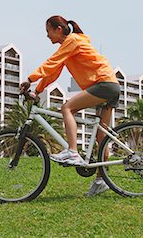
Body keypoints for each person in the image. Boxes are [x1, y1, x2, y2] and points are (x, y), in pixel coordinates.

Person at [19, 15, 120, 196]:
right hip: (109, 84)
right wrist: (38, 90)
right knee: (101, 138)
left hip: (103, 83)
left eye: (48, 31)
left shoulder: (72, 40)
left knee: (67, 108)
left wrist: (29, 79)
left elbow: (51, 62)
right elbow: (53, 71)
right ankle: (101, 180)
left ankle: (72, 151)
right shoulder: (70, 46)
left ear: (58, 29)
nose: (47, 36)